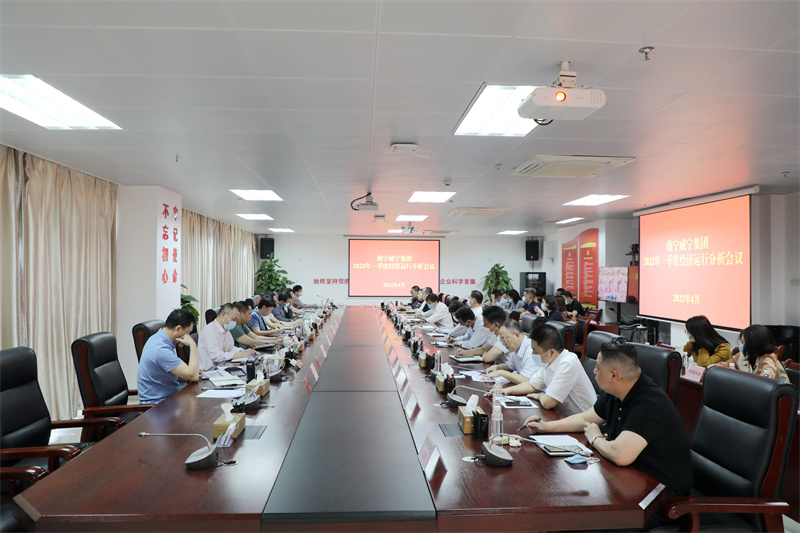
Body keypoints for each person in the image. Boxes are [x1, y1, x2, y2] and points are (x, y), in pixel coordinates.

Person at [524, 338, 693, 514]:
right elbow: (585, 418)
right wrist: (547, 427)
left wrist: (595, 437)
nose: (594, 371)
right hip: (628, 481)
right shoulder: (616, 392)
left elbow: (620, 455)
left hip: (661, 499)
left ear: (613, 375)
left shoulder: (649, 404)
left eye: (598, 367)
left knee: (576, 515)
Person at [497, 324, 596, 416]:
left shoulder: (567, 363)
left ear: (551, 352)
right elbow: (532, 385)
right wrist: (504, 391)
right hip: (563, 416)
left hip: (584, 421)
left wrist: (540, 395)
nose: (532, 354)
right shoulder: (549, 361)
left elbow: (548, 403)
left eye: (535, 351)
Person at [137, 308, 200, 404]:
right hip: (158, 405)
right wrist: (192, 345)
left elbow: (189, 374)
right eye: (187, 332)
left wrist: (192, 371)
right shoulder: (160, 349)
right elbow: (193, 376)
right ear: (178, 329)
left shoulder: (159, 339)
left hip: (171, 397)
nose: (188, 336)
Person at [197, 303, 254, 371]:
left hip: (223, 367)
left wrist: (243, 351)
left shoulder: (226, 330)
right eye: (234, 319)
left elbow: (231, 348)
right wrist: (239, 355)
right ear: (224, 315)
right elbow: (216, 356)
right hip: (209, 371)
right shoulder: (210, 331)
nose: (235, 323)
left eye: (236, 320)